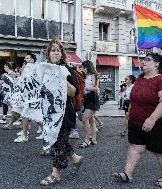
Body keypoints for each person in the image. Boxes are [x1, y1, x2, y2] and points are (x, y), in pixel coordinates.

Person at [114, 53, 162, 188]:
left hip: (159, 125)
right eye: (143, 60)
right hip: (136, 124)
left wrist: (152, 119)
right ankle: (127, 173)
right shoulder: (140, 79)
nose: (143, 62)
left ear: (157, 64)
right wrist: (129, 114)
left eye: (147, 60)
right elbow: (134, 99)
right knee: (135, 147)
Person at [39, 39, 83, 186]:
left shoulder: (68, 70)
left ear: (62, 53)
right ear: (49, 53)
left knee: (57, 143)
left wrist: (61, 77)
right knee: (60, 141)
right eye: (53, 50)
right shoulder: (44, 69)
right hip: (50, 113)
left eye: (58, 50)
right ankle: (75, 158)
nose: (56, 52)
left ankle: (55, 174)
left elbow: (73, 92)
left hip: (64, 114)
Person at [13, 53, 43, 142]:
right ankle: (45, 133)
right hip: (32, 97)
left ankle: (25, 136)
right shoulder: (33, 67)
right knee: (36, 118)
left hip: (32, 97)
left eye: (27, 58)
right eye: (25, 58)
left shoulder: (31, 67)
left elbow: (26, 81)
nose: (25, 59)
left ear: (32, 60)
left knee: (25, 115)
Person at [78, 60, 100, 148]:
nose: (82, 69)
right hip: (86, 98)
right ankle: (94, 139)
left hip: (93, 98)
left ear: (87, 67)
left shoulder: (94, 75)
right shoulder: (85, 76)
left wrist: (85, 88)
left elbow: (96, 88)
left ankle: (87, 140)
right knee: (91, 120)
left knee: (84, 118)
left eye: (83, 67)